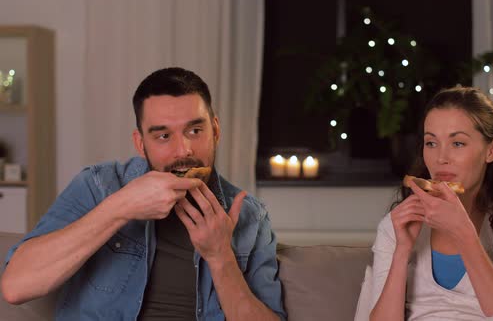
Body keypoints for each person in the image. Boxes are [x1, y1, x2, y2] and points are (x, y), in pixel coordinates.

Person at [0, 67, 286, 320]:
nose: (183, 150)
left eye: (195, 130)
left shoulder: (249, 215)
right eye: (163, 136)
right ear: (141, 143)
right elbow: (16, 287)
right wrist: (121, 207)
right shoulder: (100, 186)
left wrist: (221, 256)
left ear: (215, 130)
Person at [368, 87, 493, 320]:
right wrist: (402, 251)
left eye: (458, 144)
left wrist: (463, 233)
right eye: (431, 143)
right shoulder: (398, 224)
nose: (441, 158)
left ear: (491, 150)